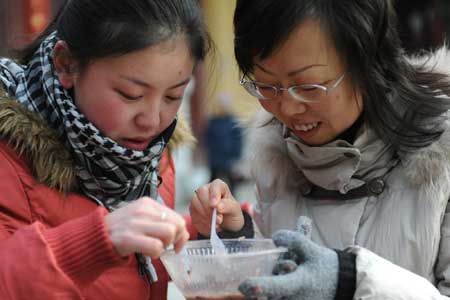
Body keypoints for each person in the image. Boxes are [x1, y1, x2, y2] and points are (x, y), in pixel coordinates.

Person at [189, 0, 450, 299]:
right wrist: (238, 238)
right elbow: (280, 272)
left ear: (369, 63)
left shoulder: (443, 153)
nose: (286, 109)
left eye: (309, 87)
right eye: (266, 86)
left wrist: (350, 280)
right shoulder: (276, 153)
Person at [0, 0, 210, 299]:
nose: (152, 121)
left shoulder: (150, 156)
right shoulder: (8, 154)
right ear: (66, 64)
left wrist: (205, 231)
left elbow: (135, 267)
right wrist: (96, 241)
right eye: (131, 94)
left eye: (173, 96)